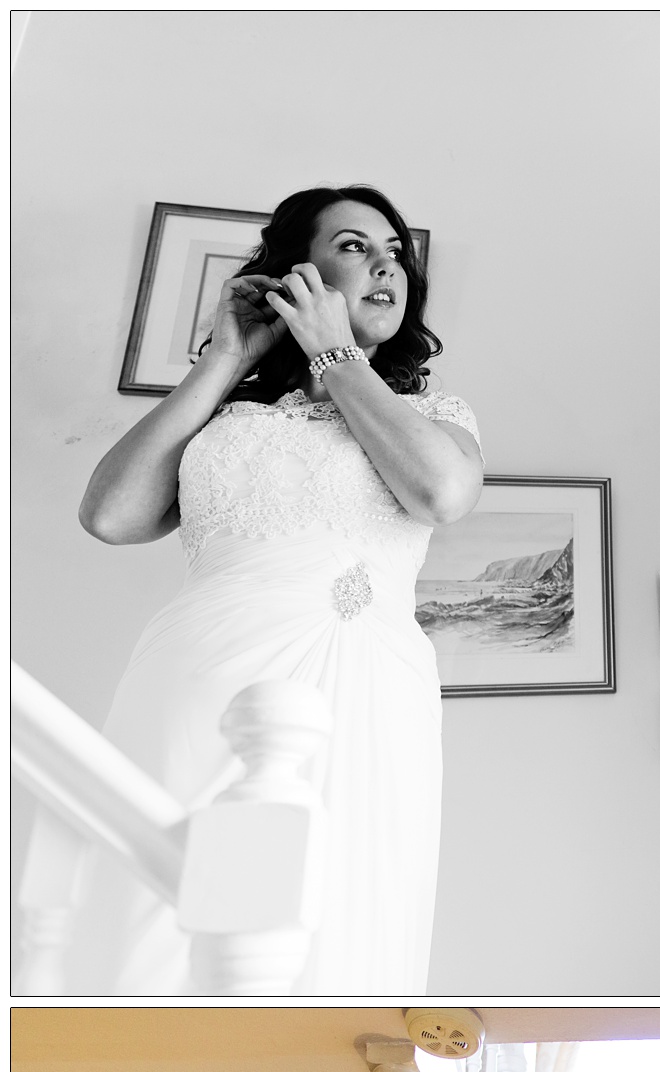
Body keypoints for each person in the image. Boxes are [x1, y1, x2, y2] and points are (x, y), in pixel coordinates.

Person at [64, 183, 484, 992]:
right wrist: (227, 359)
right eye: (356, 246)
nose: (386, 266)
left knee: (329, 920)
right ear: (300, 271)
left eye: (396, 253)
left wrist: (337, 355)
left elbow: (440, 494)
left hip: (357, 688)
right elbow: (112, 516)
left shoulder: (436, 413)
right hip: (196, 677)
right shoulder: (229, 416)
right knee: (153, 912)